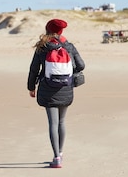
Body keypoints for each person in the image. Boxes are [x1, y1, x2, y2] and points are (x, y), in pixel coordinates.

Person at [27, 19, 85, 168]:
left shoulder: (42, 47)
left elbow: (34, 69)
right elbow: (81, 65)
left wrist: (31, 87)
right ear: (61, 32)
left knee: (52, 123)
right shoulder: (69, 46)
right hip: (66, 88)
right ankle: (61, 152)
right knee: (61, 122)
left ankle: (56, 157)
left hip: (48, 88)